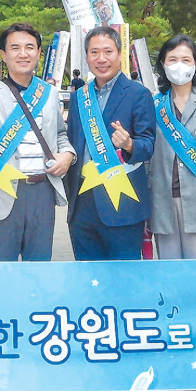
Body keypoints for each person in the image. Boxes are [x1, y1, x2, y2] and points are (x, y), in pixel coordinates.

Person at [0, 23, 74, 262]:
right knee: (1, 265)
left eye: (29, 47)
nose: (23, 54)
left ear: (38, 53)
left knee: (39, 266)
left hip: (42, 191)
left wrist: (68, 155)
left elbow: (60, 135)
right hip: (2, 188)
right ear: (4, 54)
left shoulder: (49, 93)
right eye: (15, 48)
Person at [65, 25, 155, 261]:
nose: (101, 59)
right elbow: (72, 142)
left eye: (108, 51)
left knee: (124, 278)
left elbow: (148, 145)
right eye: (94, 52)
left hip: (123, 204)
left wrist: (129, 145)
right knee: (88, 277)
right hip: (82, 205)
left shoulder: (138, 94)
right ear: (87, 57)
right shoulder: (79, 97)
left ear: (119, 54)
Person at [149, 34, 196, 259]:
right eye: (172, 59)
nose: (179, 65)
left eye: (186, 59)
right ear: (163, 64)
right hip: (162, 201)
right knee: (169, 272)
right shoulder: (153, 104)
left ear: (195, 64)